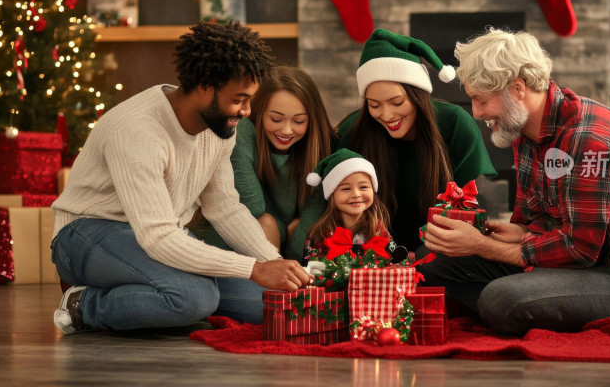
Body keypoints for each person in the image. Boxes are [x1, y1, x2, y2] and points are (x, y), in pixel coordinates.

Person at [419, 28, 610, 336]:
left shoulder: (589, 141)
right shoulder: (523, 128)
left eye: (481, 101)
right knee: (432, 262)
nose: (477, 113)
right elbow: (534, 220)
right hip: (575, 264)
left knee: (500, 299)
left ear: (517, 88)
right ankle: (533, 304)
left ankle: (519, 305)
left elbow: (579, 249)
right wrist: (515, 232)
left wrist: (483, 246)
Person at [50, 22, 311, 335]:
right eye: (239, 99)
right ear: (203, 86)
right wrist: (254, 269)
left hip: (155, 236)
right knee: (194, 298)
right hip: (85, 235)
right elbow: (157, 236)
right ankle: (82, 304)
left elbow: (224, 208)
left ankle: (160, 300)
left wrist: (274, 263)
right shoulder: (137, 131)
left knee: (269, 303)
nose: (246, 111)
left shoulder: (219, 127)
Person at [337, 28, 497, 251]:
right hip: (371, 247)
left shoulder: (455, 124)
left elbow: (470, 209)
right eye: (374, 105)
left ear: (418, 95)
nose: (387, 115)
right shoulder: (353, 131)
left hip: (441, 246)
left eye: (396, 102)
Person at [190, 66, 335, 262]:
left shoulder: (320, 145)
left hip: (280, 248)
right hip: (227, 237)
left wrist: (295, 241)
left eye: (299, 121)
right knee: (266, 223)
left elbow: (313, 215)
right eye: (275, 119)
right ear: (258, 111)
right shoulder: (240, 132)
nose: (286, 130)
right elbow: (251, 210)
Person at [305, 148, 392, 254]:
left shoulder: (378, 229)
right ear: (332, 195)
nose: (356, 194)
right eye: (346, 189)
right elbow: (311, 265)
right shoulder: (321, 233)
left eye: (363, 187)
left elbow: (393, 259)